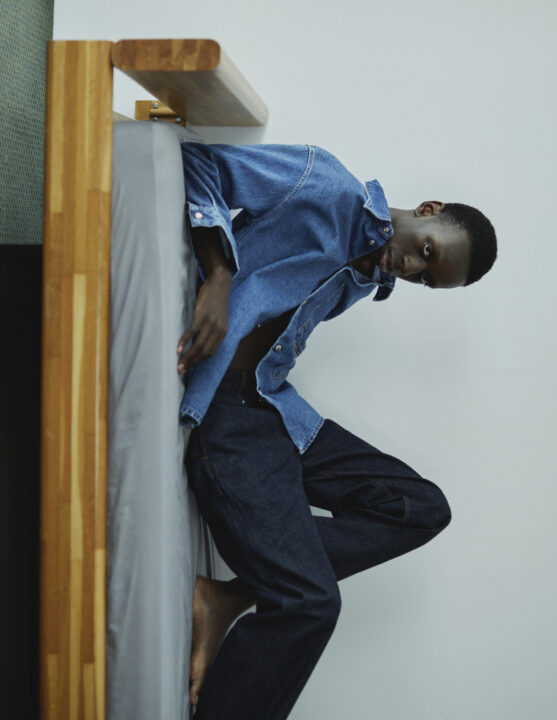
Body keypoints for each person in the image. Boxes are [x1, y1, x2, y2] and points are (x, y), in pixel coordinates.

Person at [176, 143, 497, 719]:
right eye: (427, 251)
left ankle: (230, 594)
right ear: (428, 209)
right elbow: (200, 162)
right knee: (310, 604)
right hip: (228, 412)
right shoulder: (324, 183)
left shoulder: (366, 271)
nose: (412, 269)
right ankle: (246, 595)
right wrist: (219, 274)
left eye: (427, 278)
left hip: (272, 406)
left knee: (423, 508)